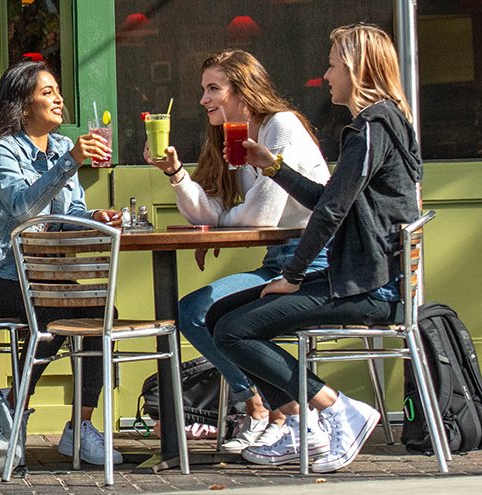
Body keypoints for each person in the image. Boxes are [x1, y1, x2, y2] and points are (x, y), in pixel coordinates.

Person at [204, 23, 423, 473]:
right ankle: (311, 427)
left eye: (333, 65)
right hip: (369, 279)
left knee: (234, 330)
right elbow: (327, 198)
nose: (325, 75)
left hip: (372, 288)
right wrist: (276, 167)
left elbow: (331, 214)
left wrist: (293, 276)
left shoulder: (373, 128)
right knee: (214, 316)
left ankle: (336, 409)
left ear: (357, 70)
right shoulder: (383, 124)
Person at [141, 49, 331, 454]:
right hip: (280, 262)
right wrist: (176, 175)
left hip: (314, 265)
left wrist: (218, 225)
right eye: (203, 89)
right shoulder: (231, 135)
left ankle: (283, 412)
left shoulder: (281, 127)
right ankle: (265, 407)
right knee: (194, 310)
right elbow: (208, 210)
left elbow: (260, 217)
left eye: (214, 89)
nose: (204, 99)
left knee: (206, 313)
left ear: (243, 90)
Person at [0, 60, 124, 465]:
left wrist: (93, 218)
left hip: (36, 282)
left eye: (57, 91)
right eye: (48, 92)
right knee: (55, 311)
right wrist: (71, 163)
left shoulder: (63, 146)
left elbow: (70, 211)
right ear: (23, 105)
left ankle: (77, 428)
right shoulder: (2, 150)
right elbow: (24, 208)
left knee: (101, 310)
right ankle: (13, 409)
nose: (59, 98)